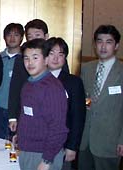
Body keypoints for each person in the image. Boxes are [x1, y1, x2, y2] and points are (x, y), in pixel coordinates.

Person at [8, 19, 69, 134]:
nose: (34, 39)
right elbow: (14, 89)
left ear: (46, 36)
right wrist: (13, 117)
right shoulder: (21, 59)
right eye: (30, 36)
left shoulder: (56, 58)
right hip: (26, 113)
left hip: (51, 112)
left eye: (37, 35)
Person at [17, 39, 68, 170]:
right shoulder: (28, 84)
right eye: (26, 58)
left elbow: (58, 129)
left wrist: (47, 160)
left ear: (46, 60)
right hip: (27, 150)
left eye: (35, 57)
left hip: (44, 154)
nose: (30, 63)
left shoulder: (52, 88)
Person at [79, 25, 123, 170]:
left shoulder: (121, 72)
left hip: (110, 141)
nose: (103, 46)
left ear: (116, 45)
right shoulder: (86, 68)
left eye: (108, 42)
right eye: (99, 41)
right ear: (94, 44)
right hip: (85, 140)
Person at [46, 37, 86, 169]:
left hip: (63, 144)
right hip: (39, 142)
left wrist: (72, 147)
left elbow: (78, 117)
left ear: (65, 58)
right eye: (51, 53)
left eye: (60, 54)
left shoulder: (74, 82)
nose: (56, 58)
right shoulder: (36, 79)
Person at [0, 23, 24, 139]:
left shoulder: (26, 59)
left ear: (21, 37)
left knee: (15, 146)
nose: (12, 38)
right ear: (4, 37)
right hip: (0, 108)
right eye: (9, 35)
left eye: (16, 35)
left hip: (19, 110)